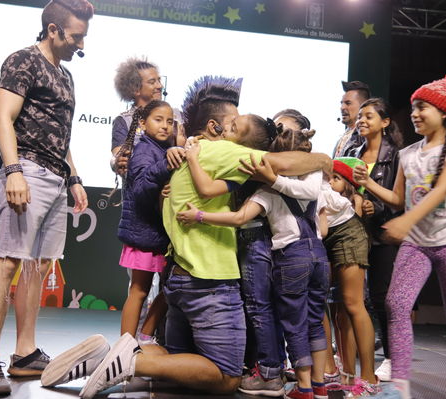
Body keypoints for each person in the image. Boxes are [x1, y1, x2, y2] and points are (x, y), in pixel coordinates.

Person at [41, 76, 332, 398]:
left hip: (180, 277)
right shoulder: (222, 153)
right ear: (215, 126)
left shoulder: (190, 153)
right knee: (226, 376)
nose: (231, 131)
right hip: (211, 281)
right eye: (231, 122)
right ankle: (132, 364)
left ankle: (102, 358)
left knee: (181, 359)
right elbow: (281, 164)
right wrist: (324, 160)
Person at [0, 0, 93, 395]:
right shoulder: (22, 61)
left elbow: (62, 135)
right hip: (27, 171)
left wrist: (74, 176)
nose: (81, 44)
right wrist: (13, 171)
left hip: (57, 177)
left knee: (39, 266)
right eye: (76, 36)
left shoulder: (67, 76)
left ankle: (24, 354)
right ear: (53, 30)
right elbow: (3, 117)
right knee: (7, 262)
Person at [353, 71, 446, 399]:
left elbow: (439, 192)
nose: (414, 113)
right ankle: (398, 385)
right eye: (413, 107)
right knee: (396, 303)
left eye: (422, 107)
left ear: (445, 113)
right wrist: (368, 184)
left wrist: (405, 221)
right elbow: (399, 198)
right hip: (417, 243)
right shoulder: (407, 153)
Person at [177, 126, 330, 399]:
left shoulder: (267, 190)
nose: (226, 128)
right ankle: (318, 384)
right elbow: (324, 224)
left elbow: (237, 216)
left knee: (287, 320)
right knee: (313, 321)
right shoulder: (314, 186)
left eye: (235, 126)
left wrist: (200, 215)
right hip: (319, 253)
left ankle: (297, 384)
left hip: (287, 255)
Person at [343, 98, 404, 382]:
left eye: (369, 116)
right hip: (352, 230)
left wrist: (373, 206)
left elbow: (398, 200)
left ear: (385, 122)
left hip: (381, 233)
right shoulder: (351, 152)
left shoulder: (396, 156)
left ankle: (392, 357)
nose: (362, 121)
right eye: (360, 117)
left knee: (382, 298)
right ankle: (347, 357)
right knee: (352, 299)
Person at [115, 100, 179, 343]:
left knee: (168, 289)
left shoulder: (161, 148)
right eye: (158, 119)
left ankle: (144, 336)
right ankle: (124, 347)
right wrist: (164, 167)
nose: (165, 126)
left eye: (170, 121)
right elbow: (141, 188)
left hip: (157, 235)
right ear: (142, 123)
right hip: (143, 235)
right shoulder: (144, 150)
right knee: (139, 291)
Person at [318, 158, 379, 397]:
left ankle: (368, 377)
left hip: (347, 233)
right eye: (329, 177)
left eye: (336, 178)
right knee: (318, 303)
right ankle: (330, 369)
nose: (330, 182)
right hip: (321, 234)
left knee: (352, 303)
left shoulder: (350, 201)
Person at [334, 80, 371, 158]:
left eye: (348, 103)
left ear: (363, 105)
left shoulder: (367, 138)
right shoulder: (344, 136)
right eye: (342, 103)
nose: (342, 107)